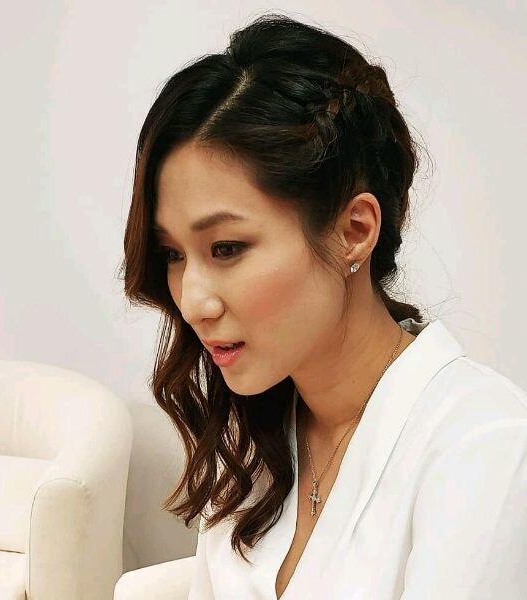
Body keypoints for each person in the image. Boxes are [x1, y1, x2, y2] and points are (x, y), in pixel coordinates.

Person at [119, 12, 527, 600]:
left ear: (354, 230)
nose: (193, 302)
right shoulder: (254, 436)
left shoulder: (482, 447)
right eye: (173, 254)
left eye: (226, 248)